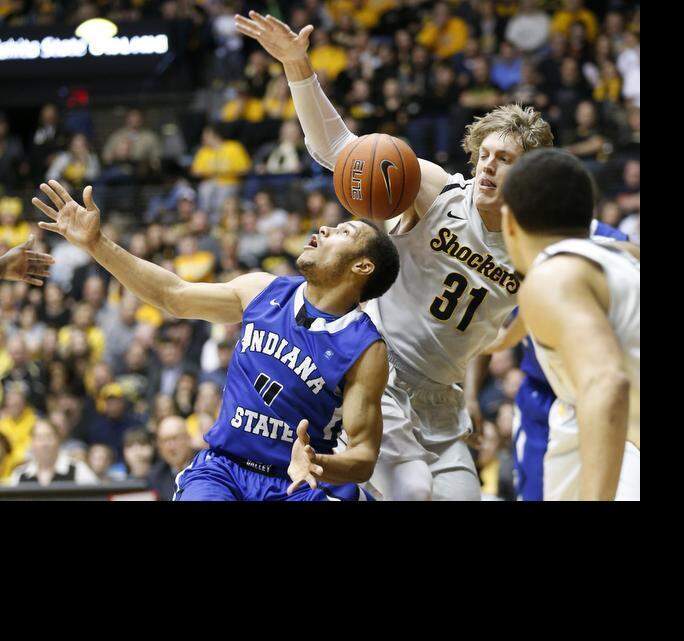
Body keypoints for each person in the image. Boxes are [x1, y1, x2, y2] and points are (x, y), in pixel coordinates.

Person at [236, 11, 554, 500]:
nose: (489, 164)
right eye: (486, 154)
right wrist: (298, 67)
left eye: (505, 160)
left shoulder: (535, 247)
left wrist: (493, 347)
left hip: (442, 400)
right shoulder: (434, 191)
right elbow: (337, 150)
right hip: (379, 375)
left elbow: (513, 323)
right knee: (414, 494)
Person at [31, 179, 397, 501]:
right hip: (225, 470)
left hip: (297, 484)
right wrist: (97, 244)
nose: (325, 228)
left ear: (362, 267)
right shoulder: (262, 289)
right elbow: (173, 294)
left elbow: (364, 456)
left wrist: (318, 463)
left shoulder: (365, 348)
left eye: (344, 233)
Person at [499, 149, 639, 500]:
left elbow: (607, 384)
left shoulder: (552, 279)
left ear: (509, 222)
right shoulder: (619, 252)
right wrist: (502, 339)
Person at [8, 420, 98, 487]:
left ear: (58, 440)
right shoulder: (20, 475)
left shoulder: (78, 469)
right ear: (32, 444)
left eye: (49, 437)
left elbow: (97, 496)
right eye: (39, 438)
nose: (45, 443)